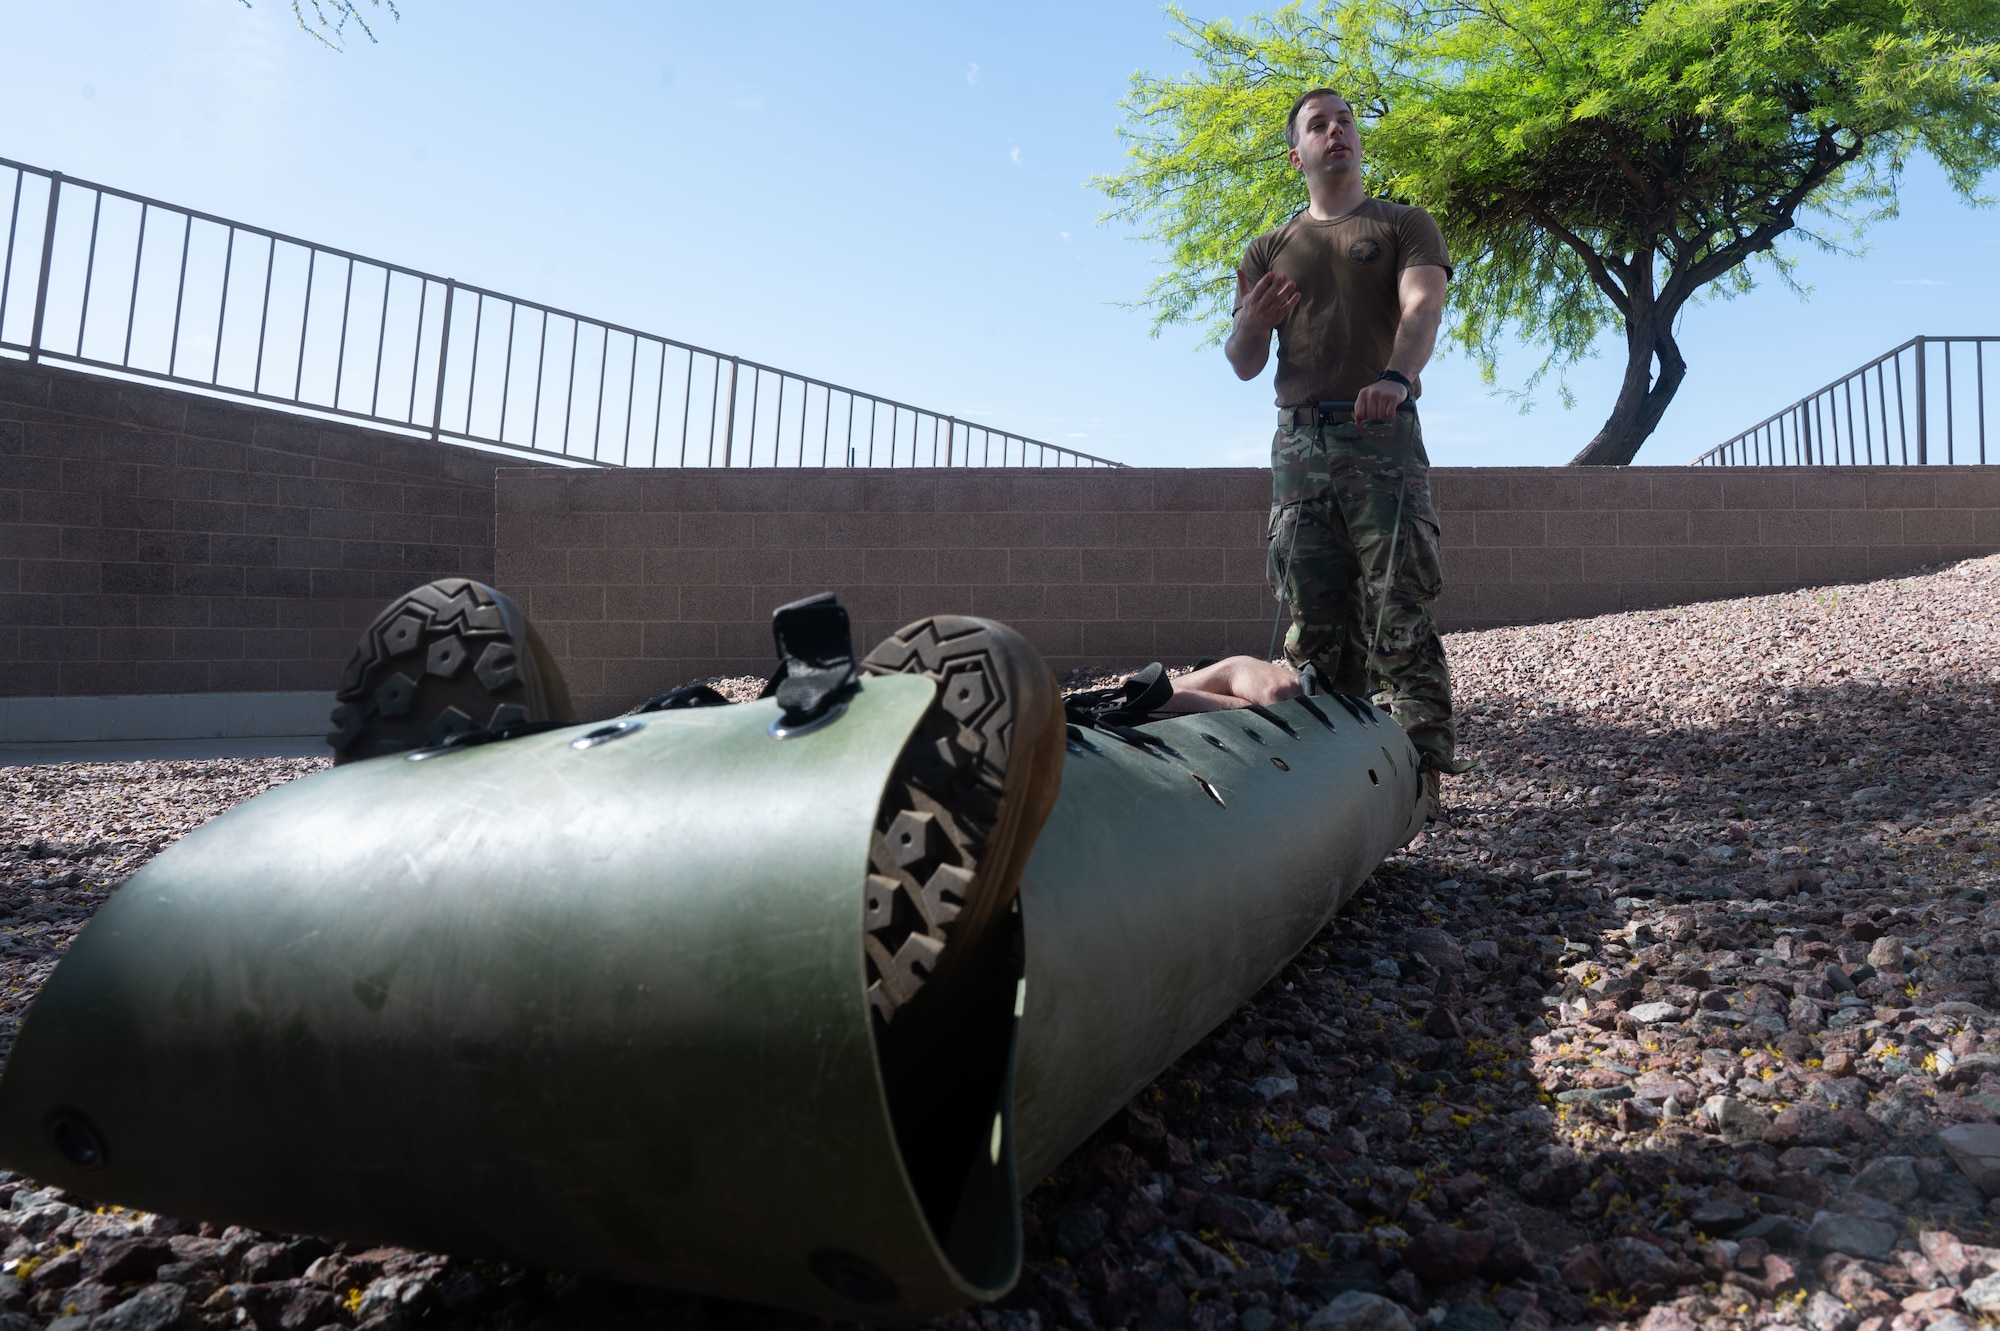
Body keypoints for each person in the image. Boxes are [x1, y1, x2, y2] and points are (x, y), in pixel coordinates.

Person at [1223, 87, 1469, 807]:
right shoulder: (1268, 249)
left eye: (1345, 121)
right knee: (1314, 623)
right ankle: (1328, 785)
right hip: (1299, 446)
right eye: (1318, 125)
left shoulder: (1403, 224)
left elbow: (1423, 305)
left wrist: (1396, 376)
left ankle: (1419, 781)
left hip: (1381, 437)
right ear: (1295, 154)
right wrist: (1252, 323)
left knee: (1400, 609)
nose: (1336, 131)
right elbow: (1242, 362)